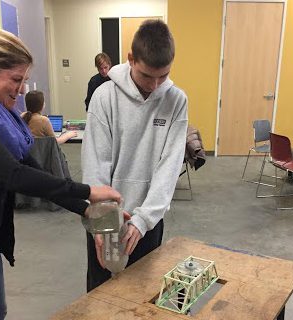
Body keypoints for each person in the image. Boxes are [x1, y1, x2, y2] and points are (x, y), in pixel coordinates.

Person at [0, 22, 121, 319]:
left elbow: (29, 165)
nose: (22, 89)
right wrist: (88, 190)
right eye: (16, 79)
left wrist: (85, 208)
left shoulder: (0, 115)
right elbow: (11, 173)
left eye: (25, 80)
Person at [81, 19, 188, 291]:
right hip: (106, 221)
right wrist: (103, 223)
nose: (154, 86)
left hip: (148, 222)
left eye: (162, 76)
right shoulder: (104, 97)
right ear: (130, 59)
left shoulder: (176, 101)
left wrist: (143, 221)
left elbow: (169, 167)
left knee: (145, 296)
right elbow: (96, 165)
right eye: (146, 76)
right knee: (101, 296)